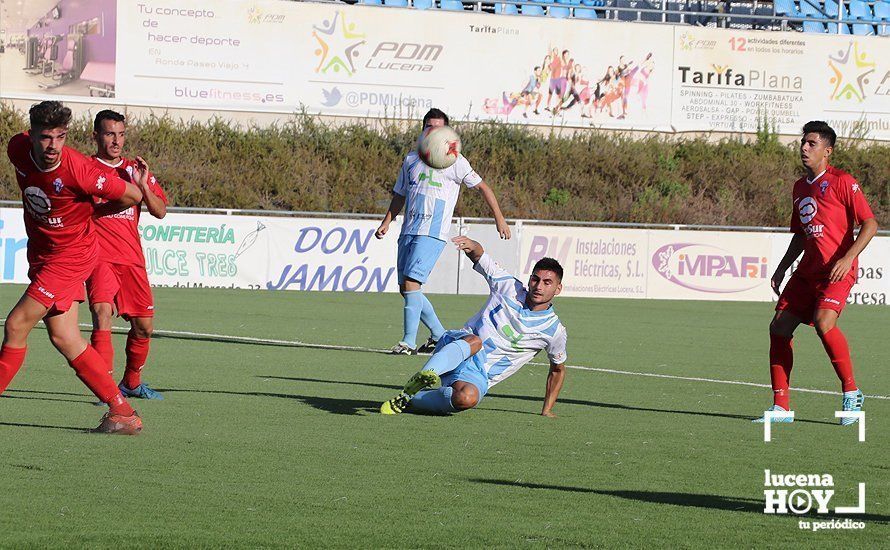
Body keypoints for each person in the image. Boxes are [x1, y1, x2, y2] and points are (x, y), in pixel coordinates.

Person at [1, 101, 146, 434]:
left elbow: (133, 194)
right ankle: (121, 412)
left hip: (70, 255)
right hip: (42, 254)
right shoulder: (17, 148)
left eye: (60, 137)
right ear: (32, 134)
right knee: (65, 337)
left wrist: (92, 212)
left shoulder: (80, 170)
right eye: (45, 137)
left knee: (16, 324)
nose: (53, 146)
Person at [754, 121, 878, 426]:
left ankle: (851, 391)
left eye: (812, 144)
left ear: (828, 150)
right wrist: (783, 267)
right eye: (803, 143)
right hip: (806, 272)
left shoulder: (842, 181)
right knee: (779, 328)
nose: (804, 148)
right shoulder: (800, 187)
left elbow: (870, 224)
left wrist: (849, 258)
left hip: (836, 271)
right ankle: (781, 408)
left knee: (824, 322)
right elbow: (800, 234)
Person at [380, 236, 568, 416]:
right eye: (535, 279)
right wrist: (471, 245)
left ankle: (409, 399)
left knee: (466, 399)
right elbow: (479, 255)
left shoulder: (553, 330)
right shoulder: (509, 286)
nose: (538, 286)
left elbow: (557, 369)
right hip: (457, 346)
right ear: (530, 279)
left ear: (557, 289)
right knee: (475, 341)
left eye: (547, 282)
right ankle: (427, 374)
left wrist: (547, 409)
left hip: (477, 375)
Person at [376, 109, 511, 355]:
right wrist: (387, 221)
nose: (433, 131)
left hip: (432, 231)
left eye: (438, 127)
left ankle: (408, 342)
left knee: (411, 283)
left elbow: (483, 188)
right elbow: (400, 194)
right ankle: (439, 336)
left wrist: (499, 218)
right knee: (406, 289)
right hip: (409, 230)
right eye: (429, 126)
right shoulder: (411, 160)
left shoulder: (455, 160)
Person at [87, 110, 169, 400]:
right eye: (110, 134)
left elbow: (159, 211)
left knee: (144, 328)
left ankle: (131, 383)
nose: (116, 140)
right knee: (101, 312)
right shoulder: (85, 169)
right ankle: (105, 389)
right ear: (95, 135)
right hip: (98, 256)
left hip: (132, 258)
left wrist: (143, 186)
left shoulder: (134, 169)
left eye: (121, 134)